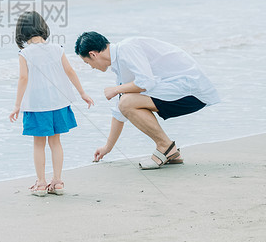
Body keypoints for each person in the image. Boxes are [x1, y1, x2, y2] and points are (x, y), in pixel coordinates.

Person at [74, 31, 219, 170]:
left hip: (190, 90)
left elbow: (146, 83)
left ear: (93, 54)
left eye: (88, 63)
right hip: (183, 92)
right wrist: (107, 147)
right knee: (124, 102)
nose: (92, 67)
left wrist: (116, 89)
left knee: (125, 101)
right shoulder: (120, 63)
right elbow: (120, 110)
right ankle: (170, 150)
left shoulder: (127, 48)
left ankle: (165, 147)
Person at [9, 11, 94, 196]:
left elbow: (23, 78)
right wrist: (82, 92)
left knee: (38, 144)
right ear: (42, 27)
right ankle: (57, 182)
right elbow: (70, 71)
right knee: (56, 143)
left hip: (36, 105)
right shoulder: (57, 48)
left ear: (21, 31)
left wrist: (17, 105)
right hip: (58, 103)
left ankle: (41, 184)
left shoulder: (25, 53)